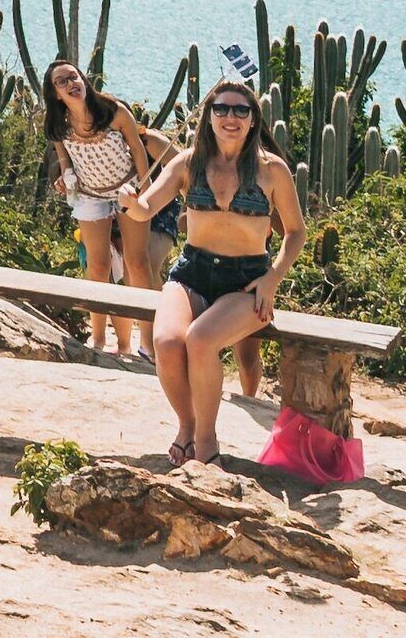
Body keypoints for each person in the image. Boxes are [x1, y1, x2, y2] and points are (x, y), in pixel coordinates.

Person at [127, 72, 303, 463]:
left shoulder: (272, 170)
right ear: (208, 116)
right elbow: (144, 209)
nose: (230, 116)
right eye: (221, 108)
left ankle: (206, 443)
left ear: (253, 119)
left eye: (241, 110)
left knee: (201, 341)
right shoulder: (188, 164)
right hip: (192, 271)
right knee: (168, 343)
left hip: (246, 280)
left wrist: (273, 278)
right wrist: (130, 201)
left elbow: (295, 233)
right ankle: (186, 427)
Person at [43, 60, 171, 356]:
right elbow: (64, 160)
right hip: (90, 194)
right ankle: (99, 339)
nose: (71, 84)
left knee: (137, 263)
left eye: (73, 77)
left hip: (127, 188)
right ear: (55, 93)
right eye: (62, 82)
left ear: (84, 79)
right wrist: (64, 177)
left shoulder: (113, 111)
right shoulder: (58, 124)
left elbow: (138, 151)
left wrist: (145, 192)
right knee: (97, 265)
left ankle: (147, 344)